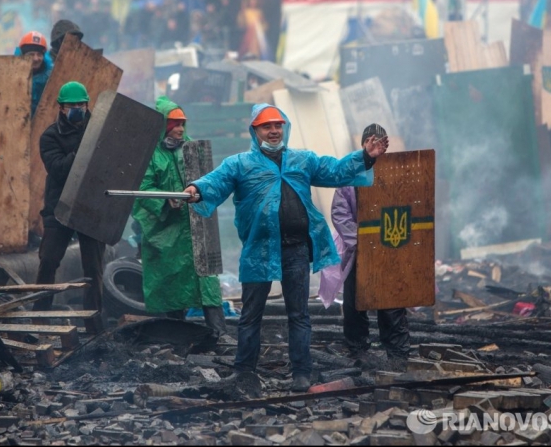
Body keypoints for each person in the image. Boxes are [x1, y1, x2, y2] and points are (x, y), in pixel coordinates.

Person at [184, 104, 389, 391]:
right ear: (255, 131)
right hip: (259, 250)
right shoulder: (239, 164)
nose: (273, 131)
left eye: (278, 125)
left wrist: (365, 157)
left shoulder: (303, 160)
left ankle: (301, 373)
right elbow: (214, 182)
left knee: (299, 314)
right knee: (250, 315)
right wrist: (196, 189)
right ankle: (244, 371)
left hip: (296, 250)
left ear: (285, 128)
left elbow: (336, 170)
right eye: (266, 126)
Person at [132, 96, 226, 335]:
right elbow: (142, 188)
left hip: (197, 228)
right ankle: (177, 335)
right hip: (168, 233)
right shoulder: (149, 154)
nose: (180, 129)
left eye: (182, 123)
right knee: (172, 282)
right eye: (174, 124)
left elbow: (210, 181)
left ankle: (219, 333)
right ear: (163, 125)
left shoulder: (194, 149)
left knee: (207, 281)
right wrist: (165, 199)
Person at [322, 124, 411, 360]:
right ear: (363, 144)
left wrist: (388, 243)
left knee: (391, 301)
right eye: (371, 142)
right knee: (355, 302)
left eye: (380, 143)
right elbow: (340, 213)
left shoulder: (393, 175)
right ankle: (358, 349)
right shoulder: (350, 176)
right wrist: (361, 241)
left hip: (389, 250)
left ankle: (396, 350)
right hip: (359, 251)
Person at [34, 81, 106, 313]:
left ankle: (94, 325)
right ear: (61, 108)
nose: (78, 108)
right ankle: (40, 317)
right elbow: (58, 169)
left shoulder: (101, 129)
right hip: (60, 207)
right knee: (48, 261)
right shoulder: (50, 136)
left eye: (81, 104)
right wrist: (85, 149)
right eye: (72, 105)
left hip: (91, 206)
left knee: (93, 269)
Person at [15, 31, 54, 117]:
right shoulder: (12, 76)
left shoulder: (52, 76)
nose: (36, 58)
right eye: (31, 54)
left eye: (39, 54)